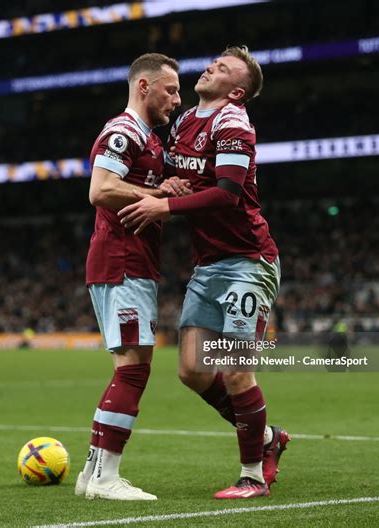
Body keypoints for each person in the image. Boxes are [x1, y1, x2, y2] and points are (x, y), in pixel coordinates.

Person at [118, 46, 290, 499]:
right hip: (209, 265)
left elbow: (229, 193)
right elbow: (189, 179)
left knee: (235, 371)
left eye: (224, 68)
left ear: (236, 90)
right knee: (193, 371)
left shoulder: (232, 121)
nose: (212, 66)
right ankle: (269, 437)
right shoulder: (183, 123)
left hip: (247, 263)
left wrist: (164, 205)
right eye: (214, 61)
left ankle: (253, 475)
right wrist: (167, 187)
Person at [75, 52, 185, 501]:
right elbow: (99, 190)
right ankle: (105, 478)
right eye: (171, 89)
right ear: (144, 86)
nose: (177, 99)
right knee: (133, 371)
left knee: (131, 369)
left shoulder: (149, 138)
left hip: (132, 260)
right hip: (122, 260)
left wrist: (166, 192)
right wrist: (157, 192)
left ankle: (91, 473)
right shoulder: (124, 131)